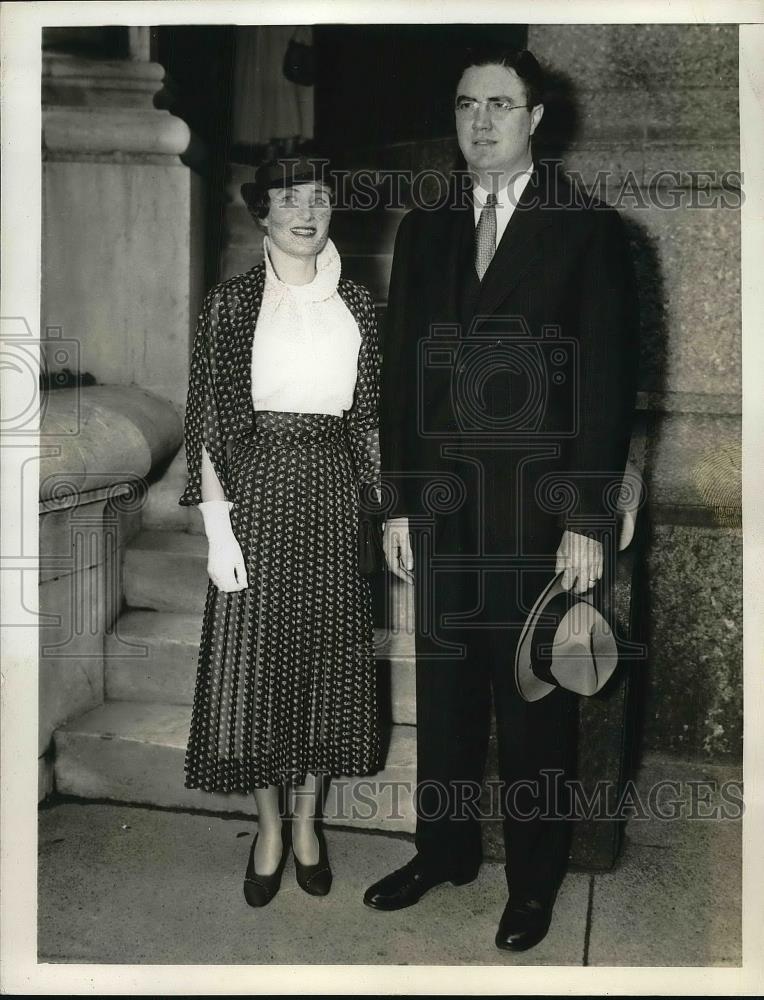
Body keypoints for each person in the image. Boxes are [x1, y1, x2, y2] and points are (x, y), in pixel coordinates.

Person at [365, 46, 640, 951]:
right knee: (444, 698)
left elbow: (603, 385)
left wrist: (586, 521)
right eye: (465, 105)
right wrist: (400, 503)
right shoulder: (428, 226)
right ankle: (443, 850)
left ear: (536, 119)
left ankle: (533, 882)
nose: (479, 121)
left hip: (534, 514)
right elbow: (403, 378)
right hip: (443, 511)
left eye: (499, 104)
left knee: (533, 707)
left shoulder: (587, 229)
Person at [179, 156, 381, 906]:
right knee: (257, 663)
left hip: (331, 491)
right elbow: (207, 416)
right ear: (262, 214)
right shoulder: (231, 304)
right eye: (289, 200)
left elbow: (368, 419)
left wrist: (385, 509)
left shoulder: (358, 302)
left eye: (320, 198)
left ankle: (307, 823)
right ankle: (267, 826)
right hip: (256, 491)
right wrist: (216, 526)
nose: (306, 212)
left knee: (327, 658)